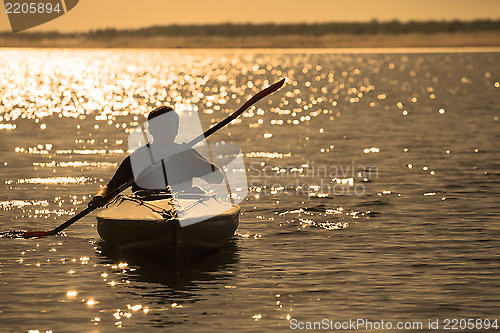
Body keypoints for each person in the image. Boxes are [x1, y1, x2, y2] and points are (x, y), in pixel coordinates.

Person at [88, 106, 223, 208]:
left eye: (169, 127)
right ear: (151, 129)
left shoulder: (188, 154)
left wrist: (191, 159)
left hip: (184, 207)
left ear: (176, 128)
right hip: (146, 208)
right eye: (160, 127)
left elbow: (216, 179)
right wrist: (100, 196)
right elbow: (111, 188)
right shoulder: (137, 158)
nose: (165, 132)